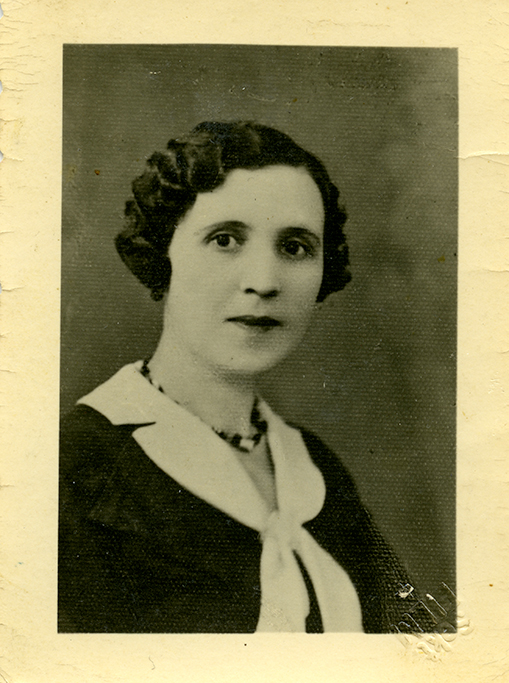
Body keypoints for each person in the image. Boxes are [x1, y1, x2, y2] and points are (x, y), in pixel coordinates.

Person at [59, 121, 435, 633]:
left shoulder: (316, 469)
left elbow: (417, 648)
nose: (264, 282)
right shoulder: (73, 471)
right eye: (225, 239)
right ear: (162, 251)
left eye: (295, 247)